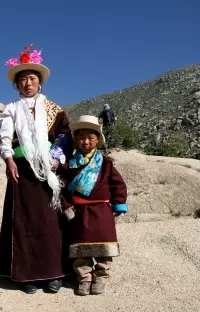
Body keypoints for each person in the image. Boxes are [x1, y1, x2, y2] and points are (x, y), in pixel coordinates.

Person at [0, 44, 73, 294]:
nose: (28, 83)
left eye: (32, 78)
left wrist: (57, 159)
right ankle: (25, 275)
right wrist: (8, 161)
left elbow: (64, 136)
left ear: (40, 82)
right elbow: (4, 139)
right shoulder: (11, 109)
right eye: (23, 80)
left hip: (49, 170)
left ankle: (54, 272)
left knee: (51, 222)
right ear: (16, 85)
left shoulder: (53, 109)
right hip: (22, 171)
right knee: (24, 222)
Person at [60, 115, 128, 296]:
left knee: (104, 249)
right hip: (80, 211)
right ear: (75, 140)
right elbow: (62, 187)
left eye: (90, 138)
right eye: (81, 137)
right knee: (81, 249)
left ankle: (100, 277)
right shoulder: (69, 164)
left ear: (97, 140)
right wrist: (67, 207)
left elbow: (118, 184)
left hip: (102, 210)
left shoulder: (105, 163)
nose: (85, 141)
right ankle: (84, 278)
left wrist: (119, 203)